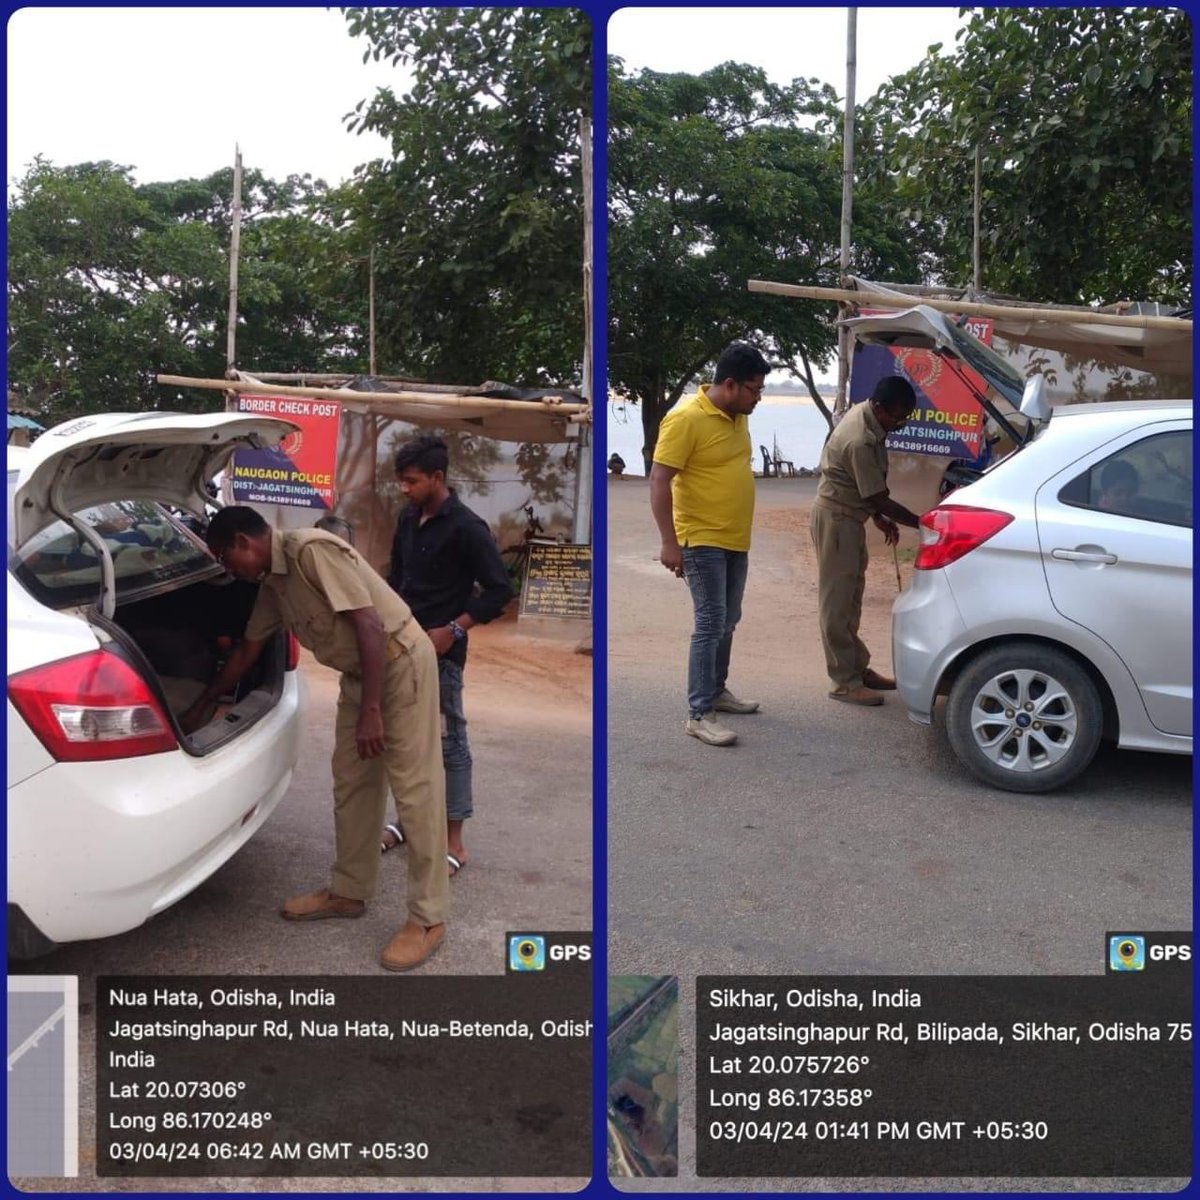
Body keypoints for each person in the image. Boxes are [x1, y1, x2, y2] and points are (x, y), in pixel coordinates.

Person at [181, 506, 448, 972]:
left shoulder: (310, 552)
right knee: (352, 783)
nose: (228, 570)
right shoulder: (271, 585)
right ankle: (349, 891)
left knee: (414, 791)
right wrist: (206, 702)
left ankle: (428, 920)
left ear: (245, 542)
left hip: (399, 663)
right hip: (360, 676)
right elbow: (248, 649)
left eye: (226, 558)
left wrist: (371, 712)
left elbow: (369, 624)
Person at [383, 435, 513, 875]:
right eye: (401, 481)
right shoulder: (407, 518)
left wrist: (453, 630)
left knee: (448, 742)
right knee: (404, 741)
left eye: (412, 481)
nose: (404, 488)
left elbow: (499, 591)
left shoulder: (467, 528)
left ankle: (455, 841)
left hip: (441, 658)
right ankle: (406, 823)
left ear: (438, 478)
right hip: (400, 649)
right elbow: (396, 579)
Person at [649, 341, 770, 747]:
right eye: (755, 390)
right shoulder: (685, 418)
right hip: (700, 539)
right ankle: (699, 713)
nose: (759, 398)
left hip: (736, 536)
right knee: (709, 622)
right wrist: (670, 542)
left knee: (729, 617)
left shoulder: (738, 415)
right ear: (731, 385)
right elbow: (660, 479)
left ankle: (717, 690)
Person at [811, 376, 922, 707]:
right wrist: (921, 523)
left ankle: (856, 668)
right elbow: (876, 495)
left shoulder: (869, 418)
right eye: (897, 417)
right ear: (878, 407)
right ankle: (843, 681)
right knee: (836, 605)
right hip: (837, 520)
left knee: (852, 599)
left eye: (906, 418)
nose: (900, 424)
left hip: (850, 516)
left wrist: (876, 516)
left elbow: (865, 489)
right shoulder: (860, 439)